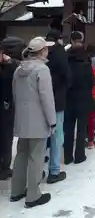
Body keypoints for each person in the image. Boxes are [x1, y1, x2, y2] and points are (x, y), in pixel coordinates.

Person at [10, 37, 56, 208]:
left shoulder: (18, 70)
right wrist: (52, 121)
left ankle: (16, 190)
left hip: (21, 119)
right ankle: (33, 195)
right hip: (38, 120)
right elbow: (47, 98)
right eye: (46, 48)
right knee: (36, 157)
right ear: (42, 51)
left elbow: (15, 94)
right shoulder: (42, 70)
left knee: (21, 154)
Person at [45, 29, 71, 184]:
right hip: (57, 99)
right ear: (58, 39)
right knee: (56, 134)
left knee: (41, 135)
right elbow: (67, 76)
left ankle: (36, 170)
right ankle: (54, 170)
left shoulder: (36, 50)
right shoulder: (60, 52)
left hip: (38, 100)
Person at [64, 39, 95, 164]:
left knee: (68, 129)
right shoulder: (86, 66)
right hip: (83, 100)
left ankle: (67, 156)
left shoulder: (67, 65)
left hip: (69, 100)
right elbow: (92, 82)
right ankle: (79, 155)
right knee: (82, 129)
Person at [0, 37, 25, 180]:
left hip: (6, 106)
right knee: (6, 137)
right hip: (6, 107)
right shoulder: (12, 67)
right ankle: (4, 167)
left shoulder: (12, 66)